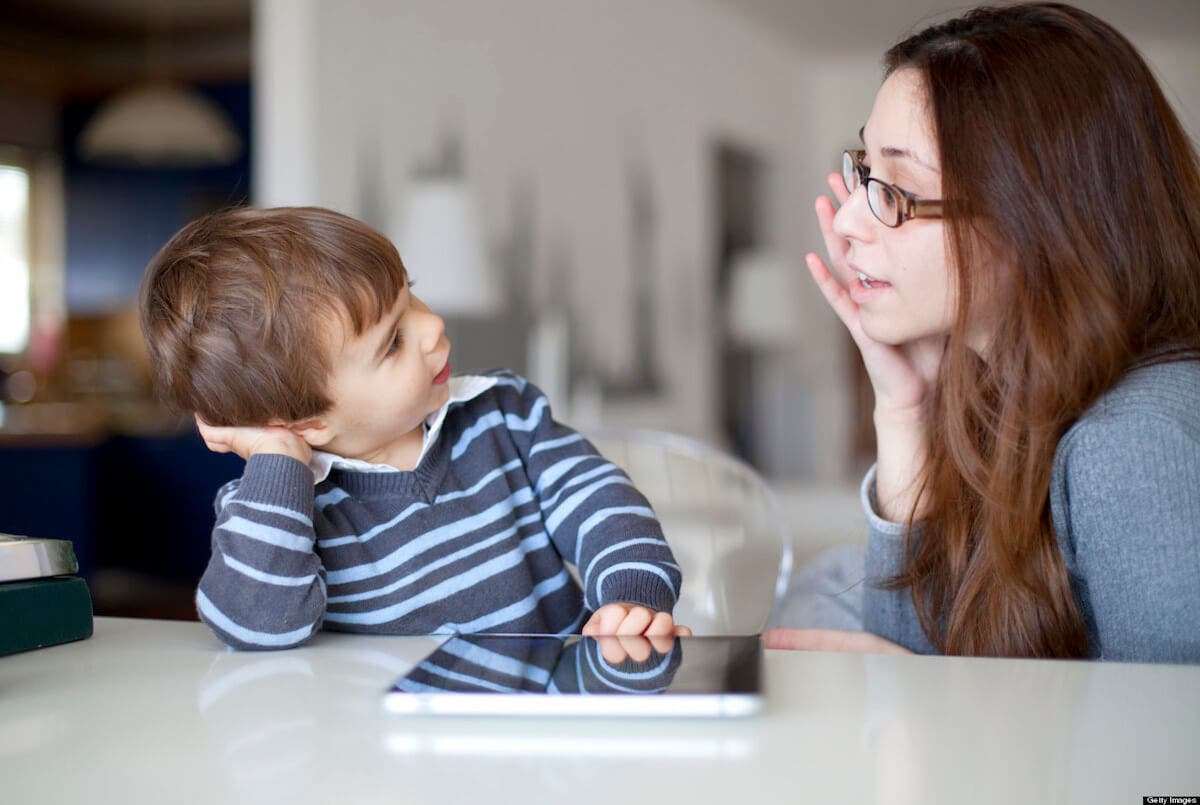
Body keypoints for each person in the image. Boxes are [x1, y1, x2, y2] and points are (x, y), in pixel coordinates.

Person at [766, 2, 1200, 662]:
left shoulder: (1134, 443)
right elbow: (916, 654)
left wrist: (927, 693)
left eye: (896, 189)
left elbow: (1164, 753)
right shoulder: (1011, 399)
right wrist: (905, 407)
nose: (849, 220)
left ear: (1036, 219)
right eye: (864, 172)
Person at [139, 206, 688, 649]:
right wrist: (281, 459)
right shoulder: (277, 510)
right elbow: (256, 624)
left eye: (412, 294)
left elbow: (600, 500)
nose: (432, 326)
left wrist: (629, 594)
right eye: (393, 342)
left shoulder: (504, 415)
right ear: (310, 422)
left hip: (545, 723)